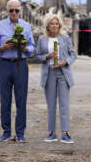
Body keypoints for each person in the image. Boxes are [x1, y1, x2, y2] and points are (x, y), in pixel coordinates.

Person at [0, 0, 35, 142]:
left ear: (20, 11)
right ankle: (6, 131)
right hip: (4, 64)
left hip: (20, 64)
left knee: (21, 100)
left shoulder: (26, 26)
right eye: (11, 10)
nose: (14, 13)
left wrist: (25, 48)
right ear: (7, 11)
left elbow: (32, 47)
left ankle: (20, 133)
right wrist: (2, 48)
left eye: (17, 10)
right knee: (5, 99)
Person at [36, 14, 76, 144]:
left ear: (59, 25)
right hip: (49, 73)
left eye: (56, 23)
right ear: (47, 25)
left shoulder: (65, 38)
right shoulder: (42, 39)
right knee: (51, 105)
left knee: (64, 104)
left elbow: (73, 54)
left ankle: (65, 133)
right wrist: (47, 56)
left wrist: (65, 62)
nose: (54, 25)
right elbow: (37, 56)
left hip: (63, 73)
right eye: (52, 23)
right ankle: (51, 133)